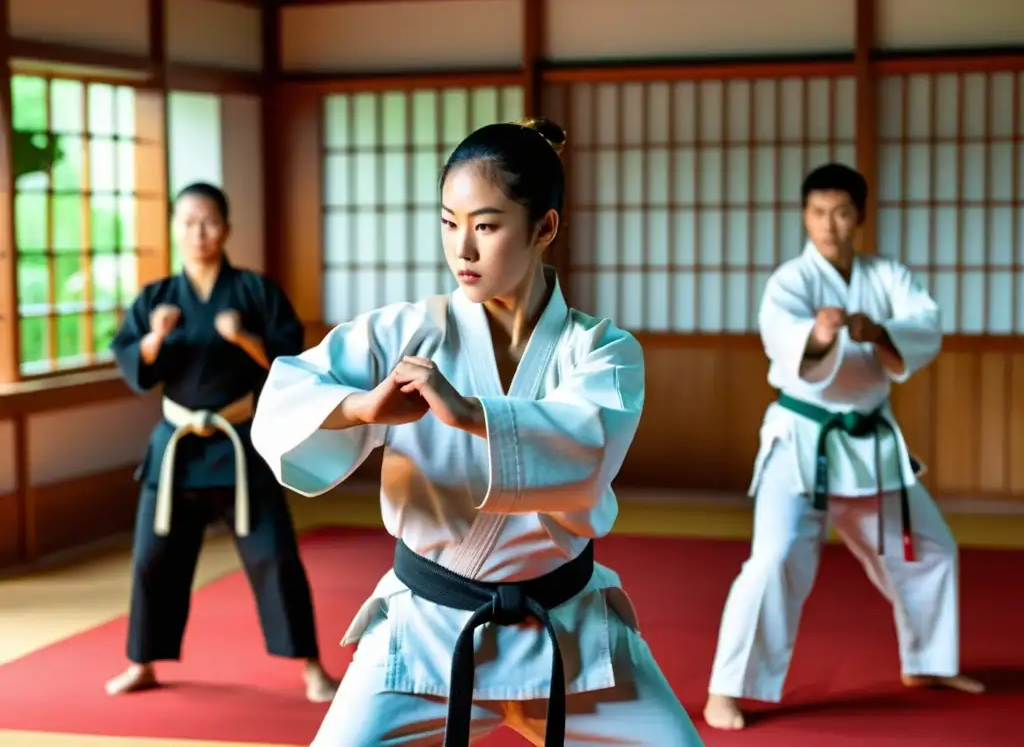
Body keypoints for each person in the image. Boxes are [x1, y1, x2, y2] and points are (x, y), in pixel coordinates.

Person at [251, 119, 703, 746]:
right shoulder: (405, 332)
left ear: (544, 227)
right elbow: (287, 394)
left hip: (565, 632)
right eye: (448, 222)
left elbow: (589, 451)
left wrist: (469, 415)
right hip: (428, 628)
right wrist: (361, 408)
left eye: (485, 226)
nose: (461, 249)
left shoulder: (602, 350)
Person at [702, 163, 985, 731]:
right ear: (804, 216)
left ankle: (928, 663)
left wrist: (878, 331)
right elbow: (781, 339)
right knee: (774, 557)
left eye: (840, 212)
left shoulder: (888, 275)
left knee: (930, 549)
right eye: (817, 212)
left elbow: (925, 324)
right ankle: (725, 690)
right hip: (800, 441)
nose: (828, 225)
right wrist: (821, 334)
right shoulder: (790, 281)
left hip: (868, 442)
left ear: (860, 216)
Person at [105, 182, 338, 703]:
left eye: (208, 221)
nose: (198, 232)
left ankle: (312, 667)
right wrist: (155, 338)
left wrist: (245, 339)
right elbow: (132, 364)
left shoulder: (254, 293)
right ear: (174, 227)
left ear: (227, 229)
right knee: (152, 558)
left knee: (275, 556)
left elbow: (292, 362)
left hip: (240, 443)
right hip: (177, 449)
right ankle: (142, 662)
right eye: (187, 221)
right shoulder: (157, 298)